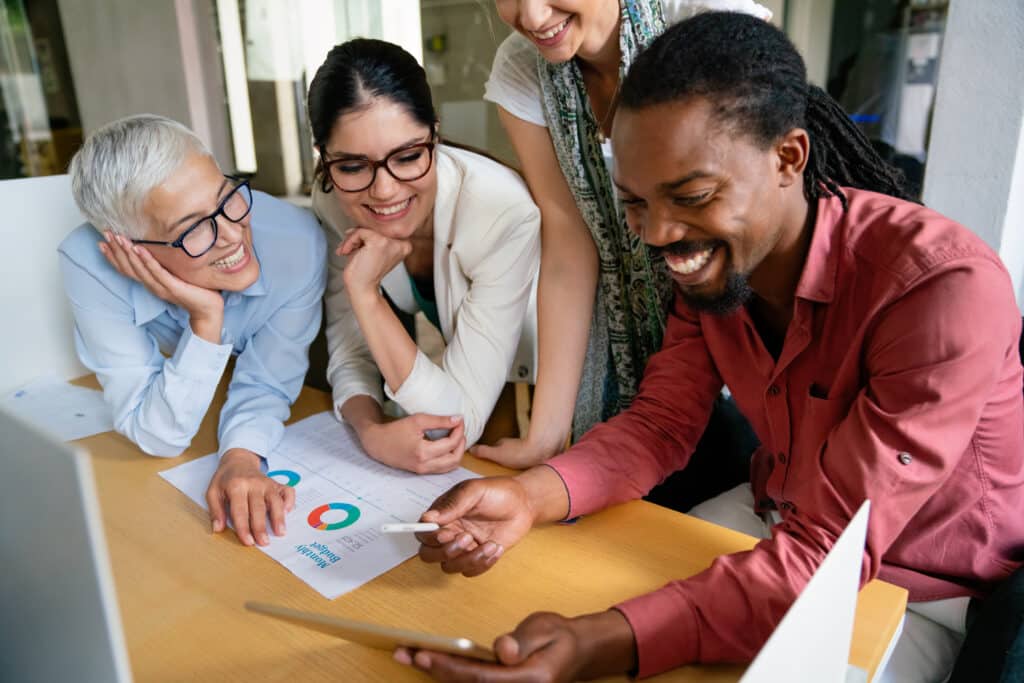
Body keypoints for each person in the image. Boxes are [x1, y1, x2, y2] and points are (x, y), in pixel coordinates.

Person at [399, 12, 1024, 683]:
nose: (662, 235)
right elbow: (660, 424)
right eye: (636, 204)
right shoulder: (715, 272)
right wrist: (527, 496)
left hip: (927, 588)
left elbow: (829, 551)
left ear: (788, 158)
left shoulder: (939, 290)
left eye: (691, 196)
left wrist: (607, 639)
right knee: (555, 598)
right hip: (777, 518)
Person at [475, 0, 770, 499]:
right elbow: (569, 242)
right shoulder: (522, 67)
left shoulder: (704, 18)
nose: (531, 15)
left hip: (733, 328)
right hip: (618, 349)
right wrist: (546, 434)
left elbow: (758, 214)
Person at [60, 114, 327, 548]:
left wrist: (241, 457)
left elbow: (267, 381)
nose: (232, 236)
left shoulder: (297, 242)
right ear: (130, 248)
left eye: (227, 198)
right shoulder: (90, 263)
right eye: (191, 229)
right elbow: (156, 435)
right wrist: (206, 319)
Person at [308, 39, 541, 474]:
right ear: (325, 158)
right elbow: (351, 352)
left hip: (552, 373)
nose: (385, 191)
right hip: (475, 363)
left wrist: (367, 295)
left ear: (434, 134)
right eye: (353, 166)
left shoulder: (501, 213)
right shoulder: (333, 203)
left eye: (409, 156)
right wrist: (372, 431)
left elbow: (456, 423)